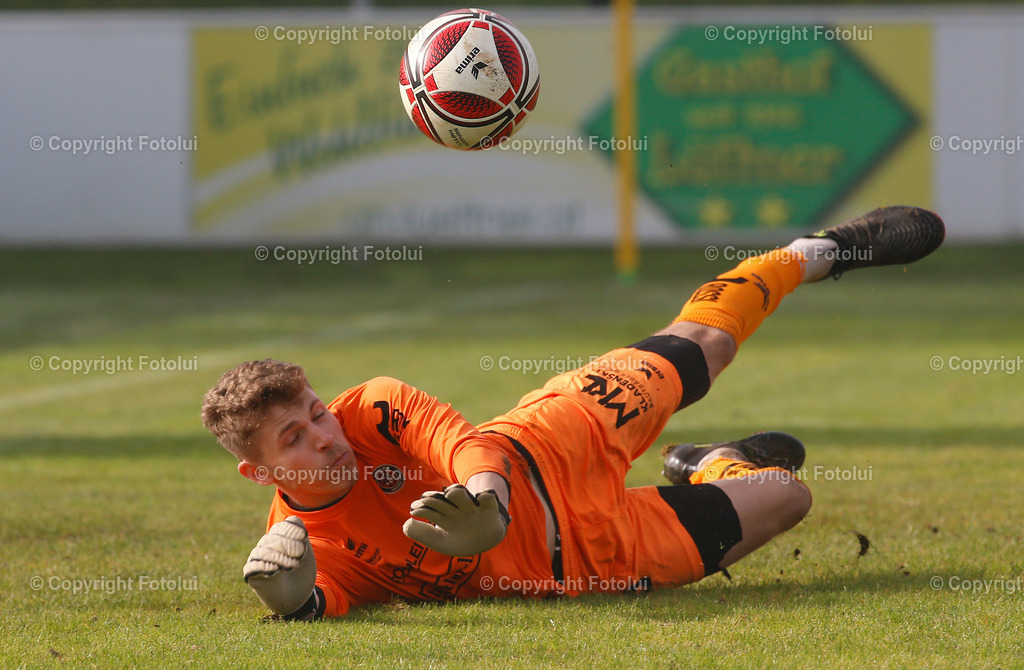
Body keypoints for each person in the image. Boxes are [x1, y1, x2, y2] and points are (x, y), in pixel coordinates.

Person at [200, 206, 944, 620]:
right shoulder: (299, 542)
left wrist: (487, 503)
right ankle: (712, 464)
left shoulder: (375, 407)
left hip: (552, 441)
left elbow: (461, 445)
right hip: (592, 558)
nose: (325, 438)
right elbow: (324, 599)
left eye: (316, 414)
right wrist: (290, 600)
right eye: (294, 439)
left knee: (704, 348)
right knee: (788, 493)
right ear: (256, 471)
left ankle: (809, 254)